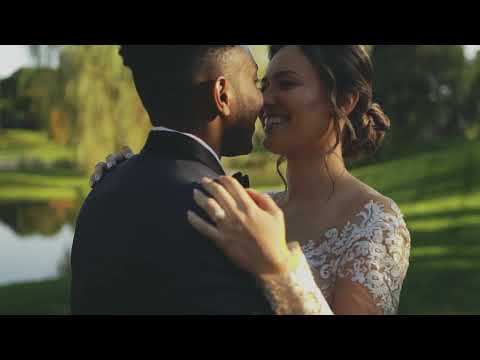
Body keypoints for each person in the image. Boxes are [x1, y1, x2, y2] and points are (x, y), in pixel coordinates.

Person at [92, 45, 411, 315]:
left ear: (344, 101)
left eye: (286, 84)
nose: (265, 100)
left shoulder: (375, 220)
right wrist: (136, 175)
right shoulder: (249, 207)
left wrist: (280, 269)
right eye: (263, 84)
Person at [70, 45, 275, 314]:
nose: (263, 100)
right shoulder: (220, 214)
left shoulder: (101, 189)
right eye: (255, 81)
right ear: (222, 94)